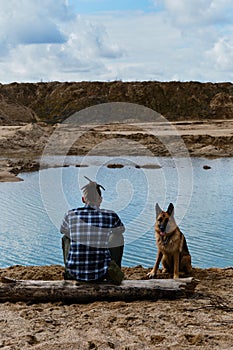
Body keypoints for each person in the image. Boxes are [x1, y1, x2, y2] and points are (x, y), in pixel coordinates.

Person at [60, 176, 125, 283]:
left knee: (65, 237)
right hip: (100, 274)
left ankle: (68, 270)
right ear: (100, 199)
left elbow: (63, 230)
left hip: (75, 274)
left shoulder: (70, 214)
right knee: (118, 237)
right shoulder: (110, 215)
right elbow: (121, 230)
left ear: (83, 199)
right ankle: (114, 271)